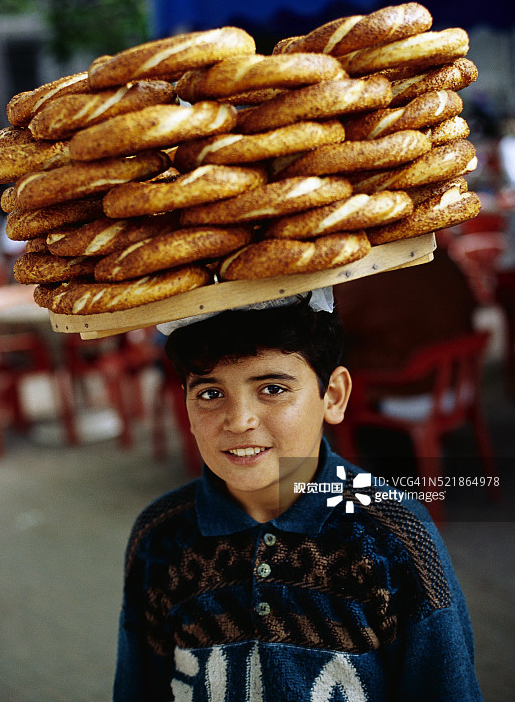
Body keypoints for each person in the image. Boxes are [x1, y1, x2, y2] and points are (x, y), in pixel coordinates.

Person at [113, 290, 483, 701]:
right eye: (210, 394)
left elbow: (445, 687)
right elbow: (138, 686)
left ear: (334, 396)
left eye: (272, 389)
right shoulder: (159, 539)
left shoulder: (394, 536)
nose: (239, 421)